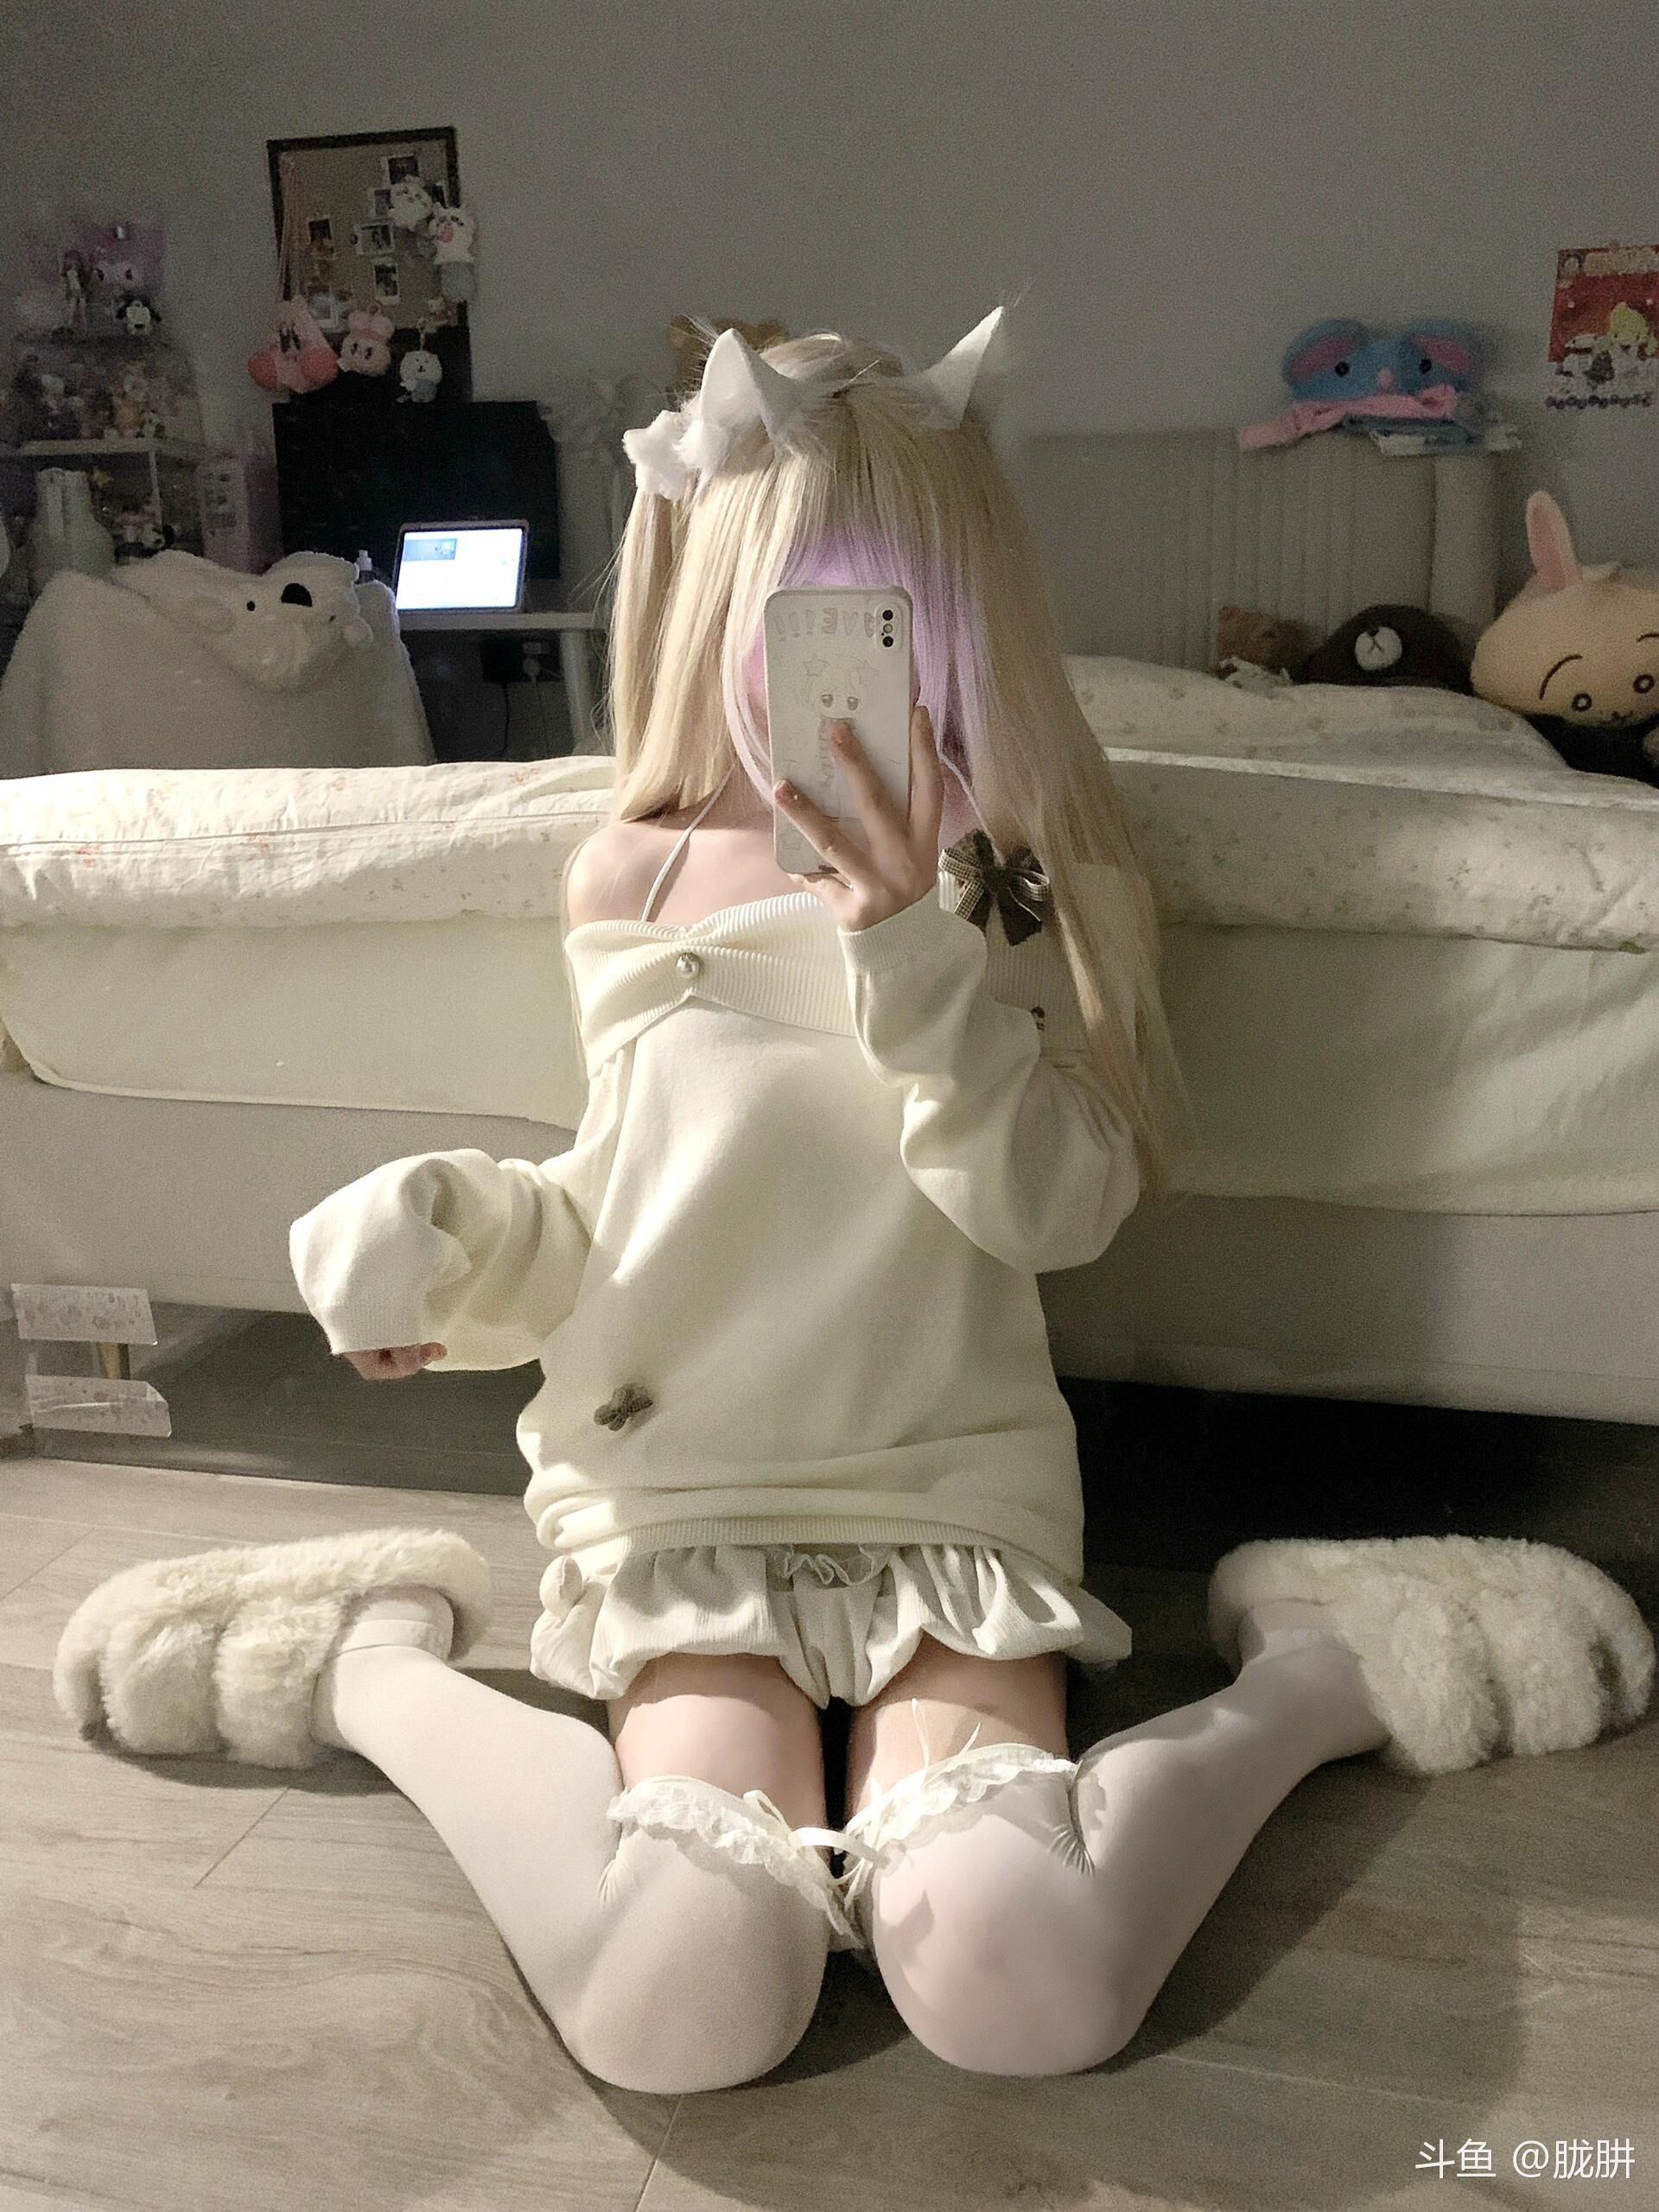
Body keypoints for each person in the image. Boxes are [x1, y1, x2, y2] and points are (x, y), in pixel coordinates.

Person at [54, 308, 1653, 2093]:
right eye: (803, 607)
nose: (848, 654)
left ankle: (1316, 1670)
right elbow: (627, 1204)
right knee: (681, 1994)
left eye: (896, 611)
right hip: (684, 1501)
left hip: (944, 1500)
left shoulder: (1028, 873)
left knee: (1025, 1983)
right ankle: (367, 1660)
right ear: (713, 602)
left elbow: (1051, 1207)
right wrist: (444, 1233)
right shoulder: (635, 865)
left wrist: (910, 935)